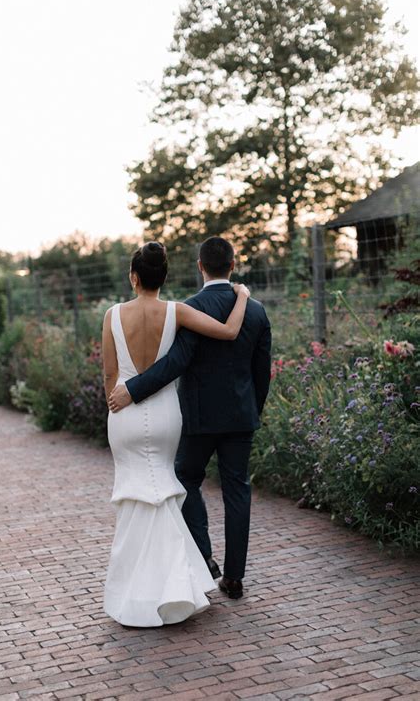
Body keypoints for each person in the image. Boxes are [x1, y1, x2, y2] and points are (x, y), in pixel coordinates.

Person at [109, 236, 272, 601]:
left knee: (184, 478)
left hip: (198, 419)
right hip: (241, 418)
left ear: (200, 266)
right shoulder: (257, 311)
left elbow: (175, 364)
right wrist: (252, 410)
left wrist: (132, 390)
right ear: (232, 265)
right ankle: (234, 577)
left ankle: (204, 554)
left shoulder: (190, 308)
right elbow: (263, 373)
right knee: (238, 491)